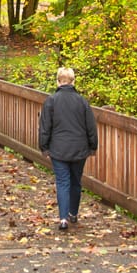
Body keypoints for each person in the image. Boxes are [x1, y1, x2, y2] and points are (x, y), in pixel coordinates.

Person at [38, 66, 98, 231]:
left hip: (58, 148)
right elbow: (91, 127)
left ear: (58, 81)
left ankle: (63, 218)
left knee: (63, 182)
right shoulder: (82, 101)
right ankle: (73, 213)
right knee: (76, 182)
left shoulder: (51, 101)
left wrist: (44, 147)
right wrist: (93, 146)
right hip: (79, 148)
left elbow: (45, 127)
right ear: (73, 81)